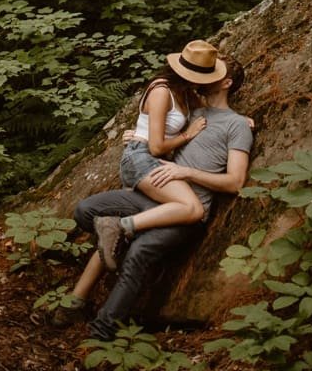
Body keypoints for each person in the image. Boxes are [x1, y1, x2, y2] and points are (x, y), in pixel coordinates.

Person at [46, 42, 255, 341]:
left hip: (187, 211)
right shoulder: (192, 108)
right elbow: (160, 134)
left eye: (212, 75)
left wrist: (187, 171)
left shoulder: (237, 125)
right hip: (155, 193)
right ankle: (75, 303)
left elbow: (235, 182)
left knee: (138, 251)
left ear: (225, 83)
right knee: (86, 210)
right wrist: (138, 137)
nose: (203, 80)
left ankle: (100, 333)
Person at [104, 46, 216, 261]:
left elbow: (212, 111)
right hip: (141, 158)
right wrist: (186, 135)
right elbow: (155, 146)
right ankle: (116, 226)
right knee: (193, 208)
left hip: (153, 160)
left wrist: (239, 119)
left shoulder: (185, 93)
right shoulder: (161, 92)